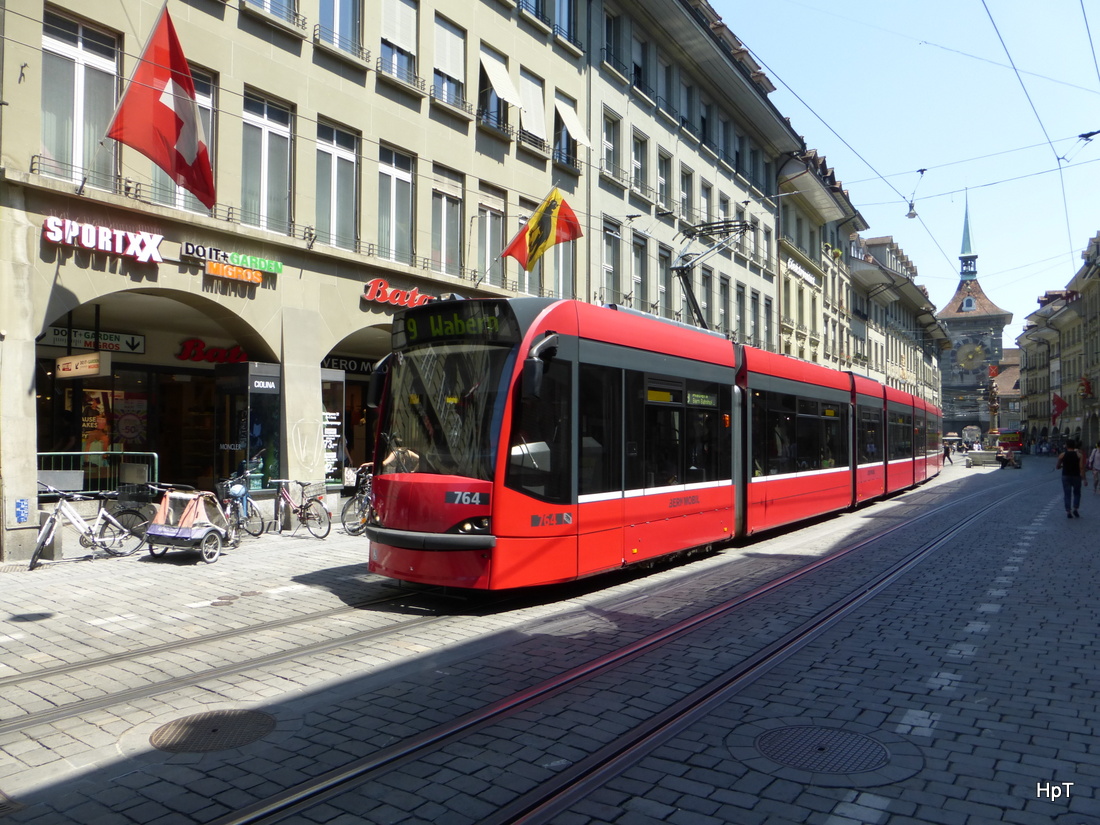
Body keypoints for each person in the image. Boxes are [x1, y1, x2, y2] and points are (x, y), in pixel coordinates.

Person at [1056, 438, 1086, 518]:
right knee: (1077, 493)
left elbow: (1057, 466)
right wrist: (1084, 479)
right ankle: (1075, 508)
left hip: (1066, 476)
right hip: (1076, 476)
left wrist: (1063, 465)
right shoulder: (1079, 455)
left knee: (1067, 494)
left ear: (1067, 446)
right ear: (1074, 446)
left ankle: (1068, 511)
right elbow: (1081, 467)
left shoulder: (1062, 455)